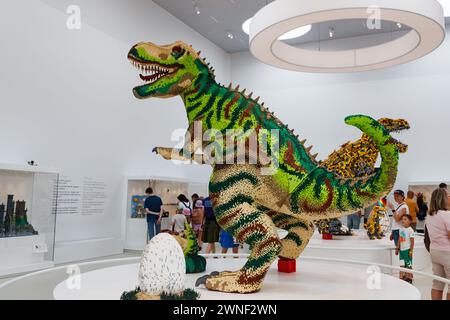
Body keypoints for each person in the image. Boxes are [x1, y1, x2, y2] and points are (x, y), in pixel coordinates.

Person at [425, 188, 450, 300]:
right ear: (442, 199)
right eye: (448, 195)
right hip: (447, 252)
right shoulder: (446, 215)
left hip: (434, 251)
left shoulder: (429, 216)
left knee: (437, 283)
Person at [396, 215, 415, 283]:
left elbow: (412, 242)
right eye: (402, 219)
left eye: (405, 219)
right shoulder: (401, 229)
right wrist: (397, 248)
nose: (403, 220)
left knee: (408, 264)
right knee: (401, 264)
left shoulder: (410, 230)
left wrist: (411, 251)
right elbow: (399, 239)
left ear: (410, 221)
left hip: (407, 250)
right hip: (402, 251)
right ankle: (401, 277)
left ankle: (409, 277)